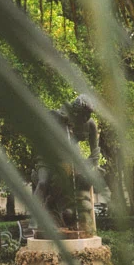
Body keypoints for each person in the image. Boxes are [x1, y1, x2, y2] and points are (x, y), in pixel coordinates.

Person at [33, 95, 100, 232]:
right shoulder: (58, 117)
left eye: (89, 114)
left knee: (78, 180)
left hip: (67, 159)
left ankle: (74, 220)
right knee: (43, 183)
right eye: (83, 114)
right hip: (47, 157)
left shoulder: (90, 125)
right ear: (75, 112)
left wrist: (94, 167)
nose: (86, 117)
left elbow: (95, 151)